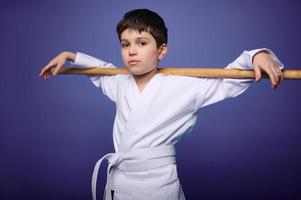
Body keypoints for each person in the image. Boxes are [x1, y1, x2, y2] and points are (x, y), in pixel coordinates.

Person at [39, 8, 284, 200]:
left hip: (158, 185)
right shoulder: (120, 82)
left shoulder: (184, 86)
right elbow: (101, 70)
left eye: (142, 43)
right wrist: (71, 56)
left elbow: (228, 78)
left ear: (161, 50)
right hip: (120, 182)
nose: (132, 51)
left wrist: (256, 55)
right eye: (126, 44)